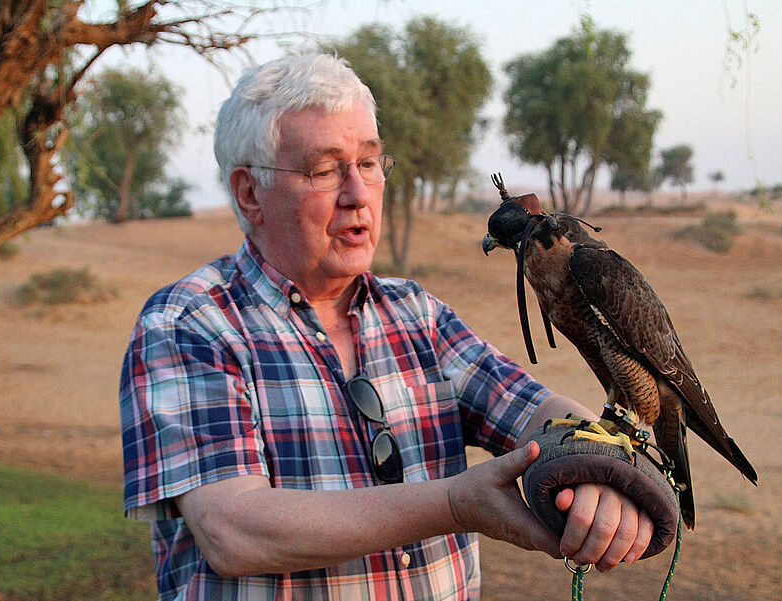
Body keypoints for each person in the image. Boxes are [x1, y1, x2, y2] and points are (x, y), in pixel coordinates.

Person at [119, 53, 653, 601]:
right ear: (250, 193)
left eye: (370, 163)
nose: (358, 193)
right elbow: (233, 530)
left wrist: (600, 462)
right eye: (325, 170)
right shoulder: (191, 324)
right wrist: (452, 504)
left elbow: (532, 409)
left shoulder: (416, 314)